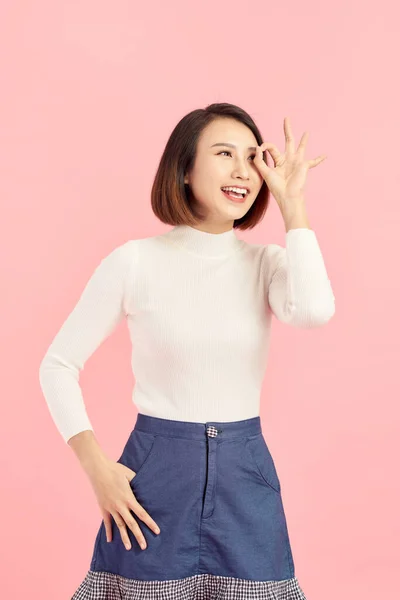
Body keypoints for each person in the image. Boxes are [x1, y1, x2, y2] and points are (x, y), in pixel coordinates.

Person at [39, 102, 335, 599]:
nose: (243, 171)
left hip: (247, 475)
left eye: (252, 158)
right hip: (154, 478)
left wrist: (293, 204)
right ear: (184, 168)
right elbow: (58, 365)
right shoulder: (135, 262)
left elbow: (314, 311)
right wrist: (97, 469)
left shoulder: (267, 263)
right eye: (224, 153)